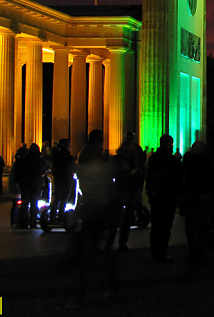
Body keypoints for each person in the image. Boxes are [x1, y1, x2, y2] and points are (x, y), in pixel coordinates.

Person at [68, 129, 118, 304]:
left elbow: (82, 184)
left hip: (90, 209)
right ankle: (108, 286)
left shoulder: (84, 159)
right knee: (99, 252)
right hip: (98, 210)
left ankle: (83, 290)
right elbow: (107, 187)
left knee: (86, 252)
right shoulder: (101, 163)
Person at [146, 134, 182, 263]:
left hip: (156, 196)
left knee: (155, 226)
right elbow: (178, 179)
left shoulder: (153, 158)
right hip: (168, 197)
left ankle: (155, 253)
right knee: (166, 227)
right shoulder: (173, 160)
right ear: (170, 144)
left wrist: (150, 193)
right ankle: (162, 253)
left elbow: (149, 176)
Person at [180, 138, 214, 268]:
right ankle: (199, 249)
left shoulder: (188, 161)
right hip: (201, 197)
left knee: (191, 225)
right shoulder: (207, 162)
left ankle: (194, 250)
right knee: (200, 225)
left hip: (191, 197)